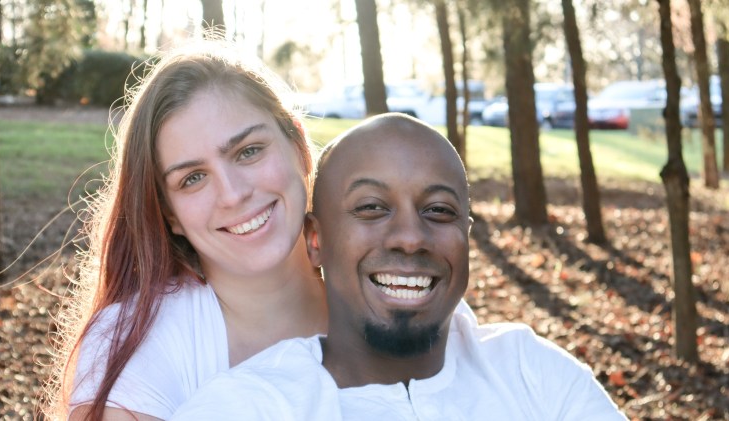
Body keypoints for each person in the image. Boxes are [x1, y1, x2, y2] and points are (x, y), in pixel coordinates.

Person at [169, 113, 627, 420]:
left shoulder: (533, 373)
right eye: (371, 207)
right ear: (316, 241)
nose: (410, 237)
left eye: (439, 210)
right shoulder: (248, 407)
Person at [42, 40, 330, 420]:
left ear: (299, 148)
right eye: (193, 178)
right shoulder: (137, 343)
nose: (232, 194)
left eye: (248, 151)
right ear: (170, 213)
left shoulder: (392, 295)